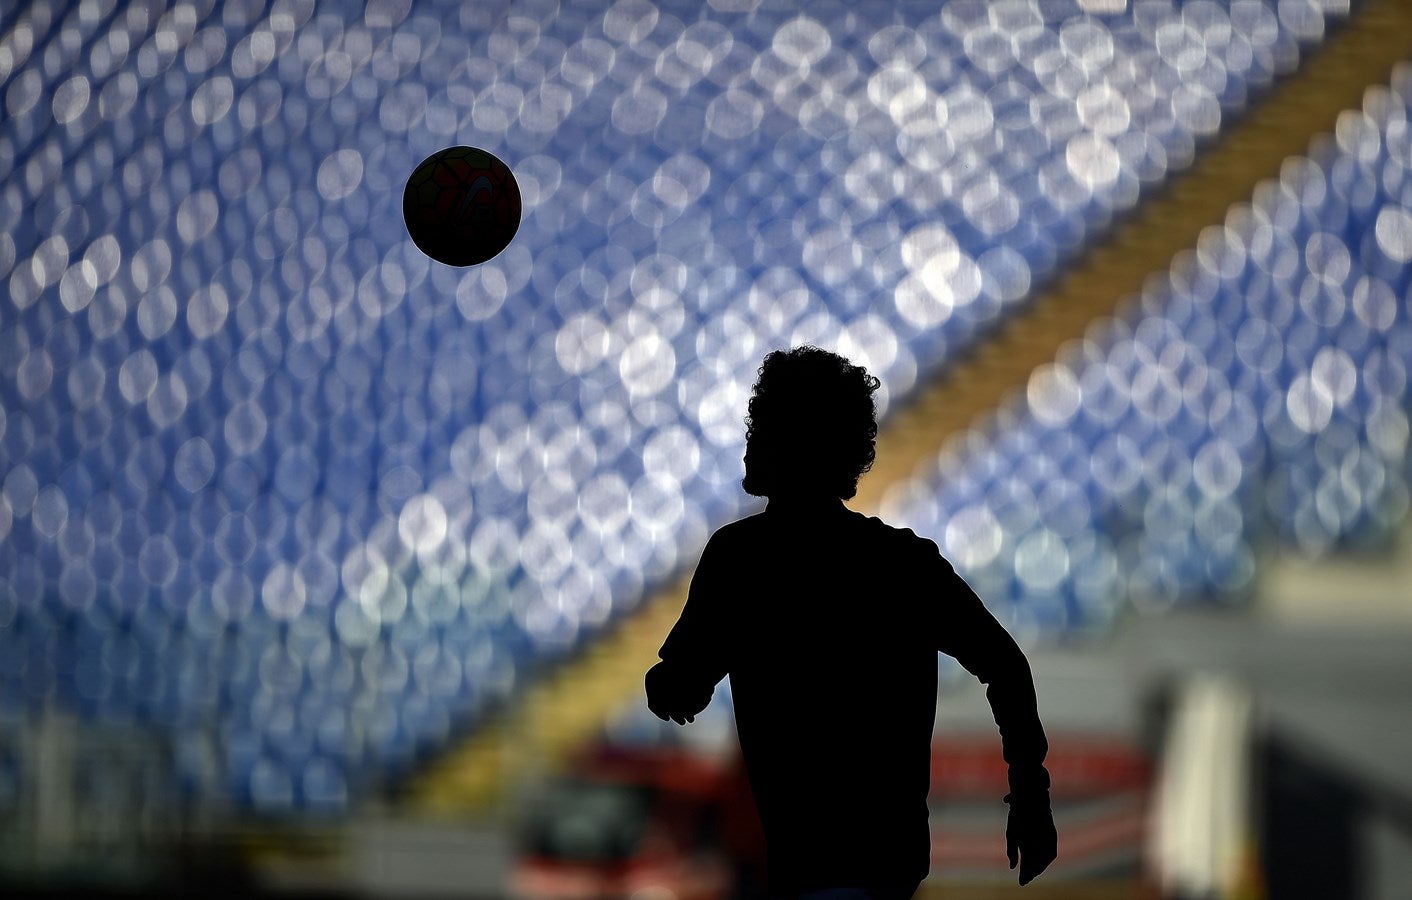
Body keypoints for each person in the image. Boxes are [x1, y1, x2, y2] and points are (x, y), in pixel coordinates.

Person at [645, 347, 1056, 899]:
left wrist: (668, 684)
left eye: (761, 424)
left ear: (793, 443)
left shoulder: (739, 560)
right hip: (891, 865)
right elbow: (1006, 666)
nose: (748, 441)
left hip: (805, 866)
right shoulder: (905, 564)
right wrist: (1029, 792)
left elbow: (681, 690)